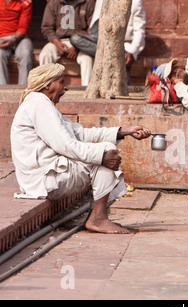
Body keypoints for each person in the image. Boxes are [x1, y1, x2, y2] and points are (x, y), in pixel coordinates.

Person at [11, 63, 152, 234]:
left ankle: (98, 216)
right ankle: (98, 218)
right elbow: (66, 145)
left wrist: (123, 131)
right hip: (43, 180)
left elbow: (80, 134)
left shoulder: (40, 103)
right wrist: (101, 156)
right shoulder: (38, 104)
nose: (66, 88)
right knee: (105, 152)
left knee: (103, 151)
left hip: (45, 176)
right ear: (48, 84)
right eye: (62, 82)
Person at [70, 0, 146, 84]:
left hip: (123, 44)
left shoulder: (135, 2)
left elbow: (139, 31)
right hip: (102, 41)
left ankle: (119, 58)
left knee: (124, 57)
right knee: (75, 38)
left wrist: (132, 52)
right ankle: (116, 56)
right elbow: (95, 26)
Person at [39, 0, 95, 86]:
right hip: (59, 41)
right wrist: (56, 42)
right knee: (45, 54)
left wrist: (77, 47)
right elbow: (47, 28)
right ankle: (46, 87)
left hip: (82, 43)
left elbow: (92, 30)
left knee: (87, 59)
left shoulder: (88, 3)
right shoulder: (54, 3)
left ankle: (86, 89)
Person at [0, 0, 33, 86]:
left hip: (20, 37)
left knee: (26, 53)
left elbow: (23, 26)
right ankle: (2, 91)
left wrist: (13, 40)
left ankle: (24, 90)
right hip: (1, 38)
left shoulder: (26, 2)